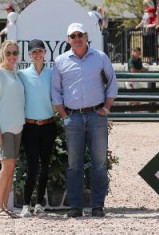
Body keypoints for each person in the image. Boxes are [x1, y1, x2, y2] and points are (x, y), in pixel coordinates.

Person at [51, 23, 118, 218]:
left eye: (80, 34)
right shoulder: (61, 62)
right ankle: (76, 207)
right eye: (73, 36)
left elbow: (112, 83)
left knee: (99, 163)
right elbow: (55, 91)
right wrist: (64, 115)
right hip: (73, 117)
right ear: (68, 39)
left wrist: (106, 107)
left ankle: (98, 206)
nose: (77, 38)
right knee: (74, 165)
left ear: (86, 36)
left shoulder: (100, 57)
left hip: (96, 116)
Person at [18, 39, 57, 218]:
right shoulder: (22, 75)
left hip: (48, 126)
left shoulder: (52, 73)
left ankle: (40, 204)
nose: (37, 55)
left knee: (45, 167)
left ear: (45, 53)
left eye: (40, 51)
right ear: (29, 55)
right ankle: (26, 204)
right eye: (34, 52)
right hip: (30, 127)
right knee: (32, 166)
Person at [0, 40, 25, 218]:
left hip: (17, 127)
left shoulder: (15, 74)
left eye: (14, 53)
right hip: (4, 127)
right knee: (6, 165)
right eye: (8, 53)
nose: (11, 56)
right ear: (3, 54)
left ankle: (5, 206)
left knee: (11, 166)